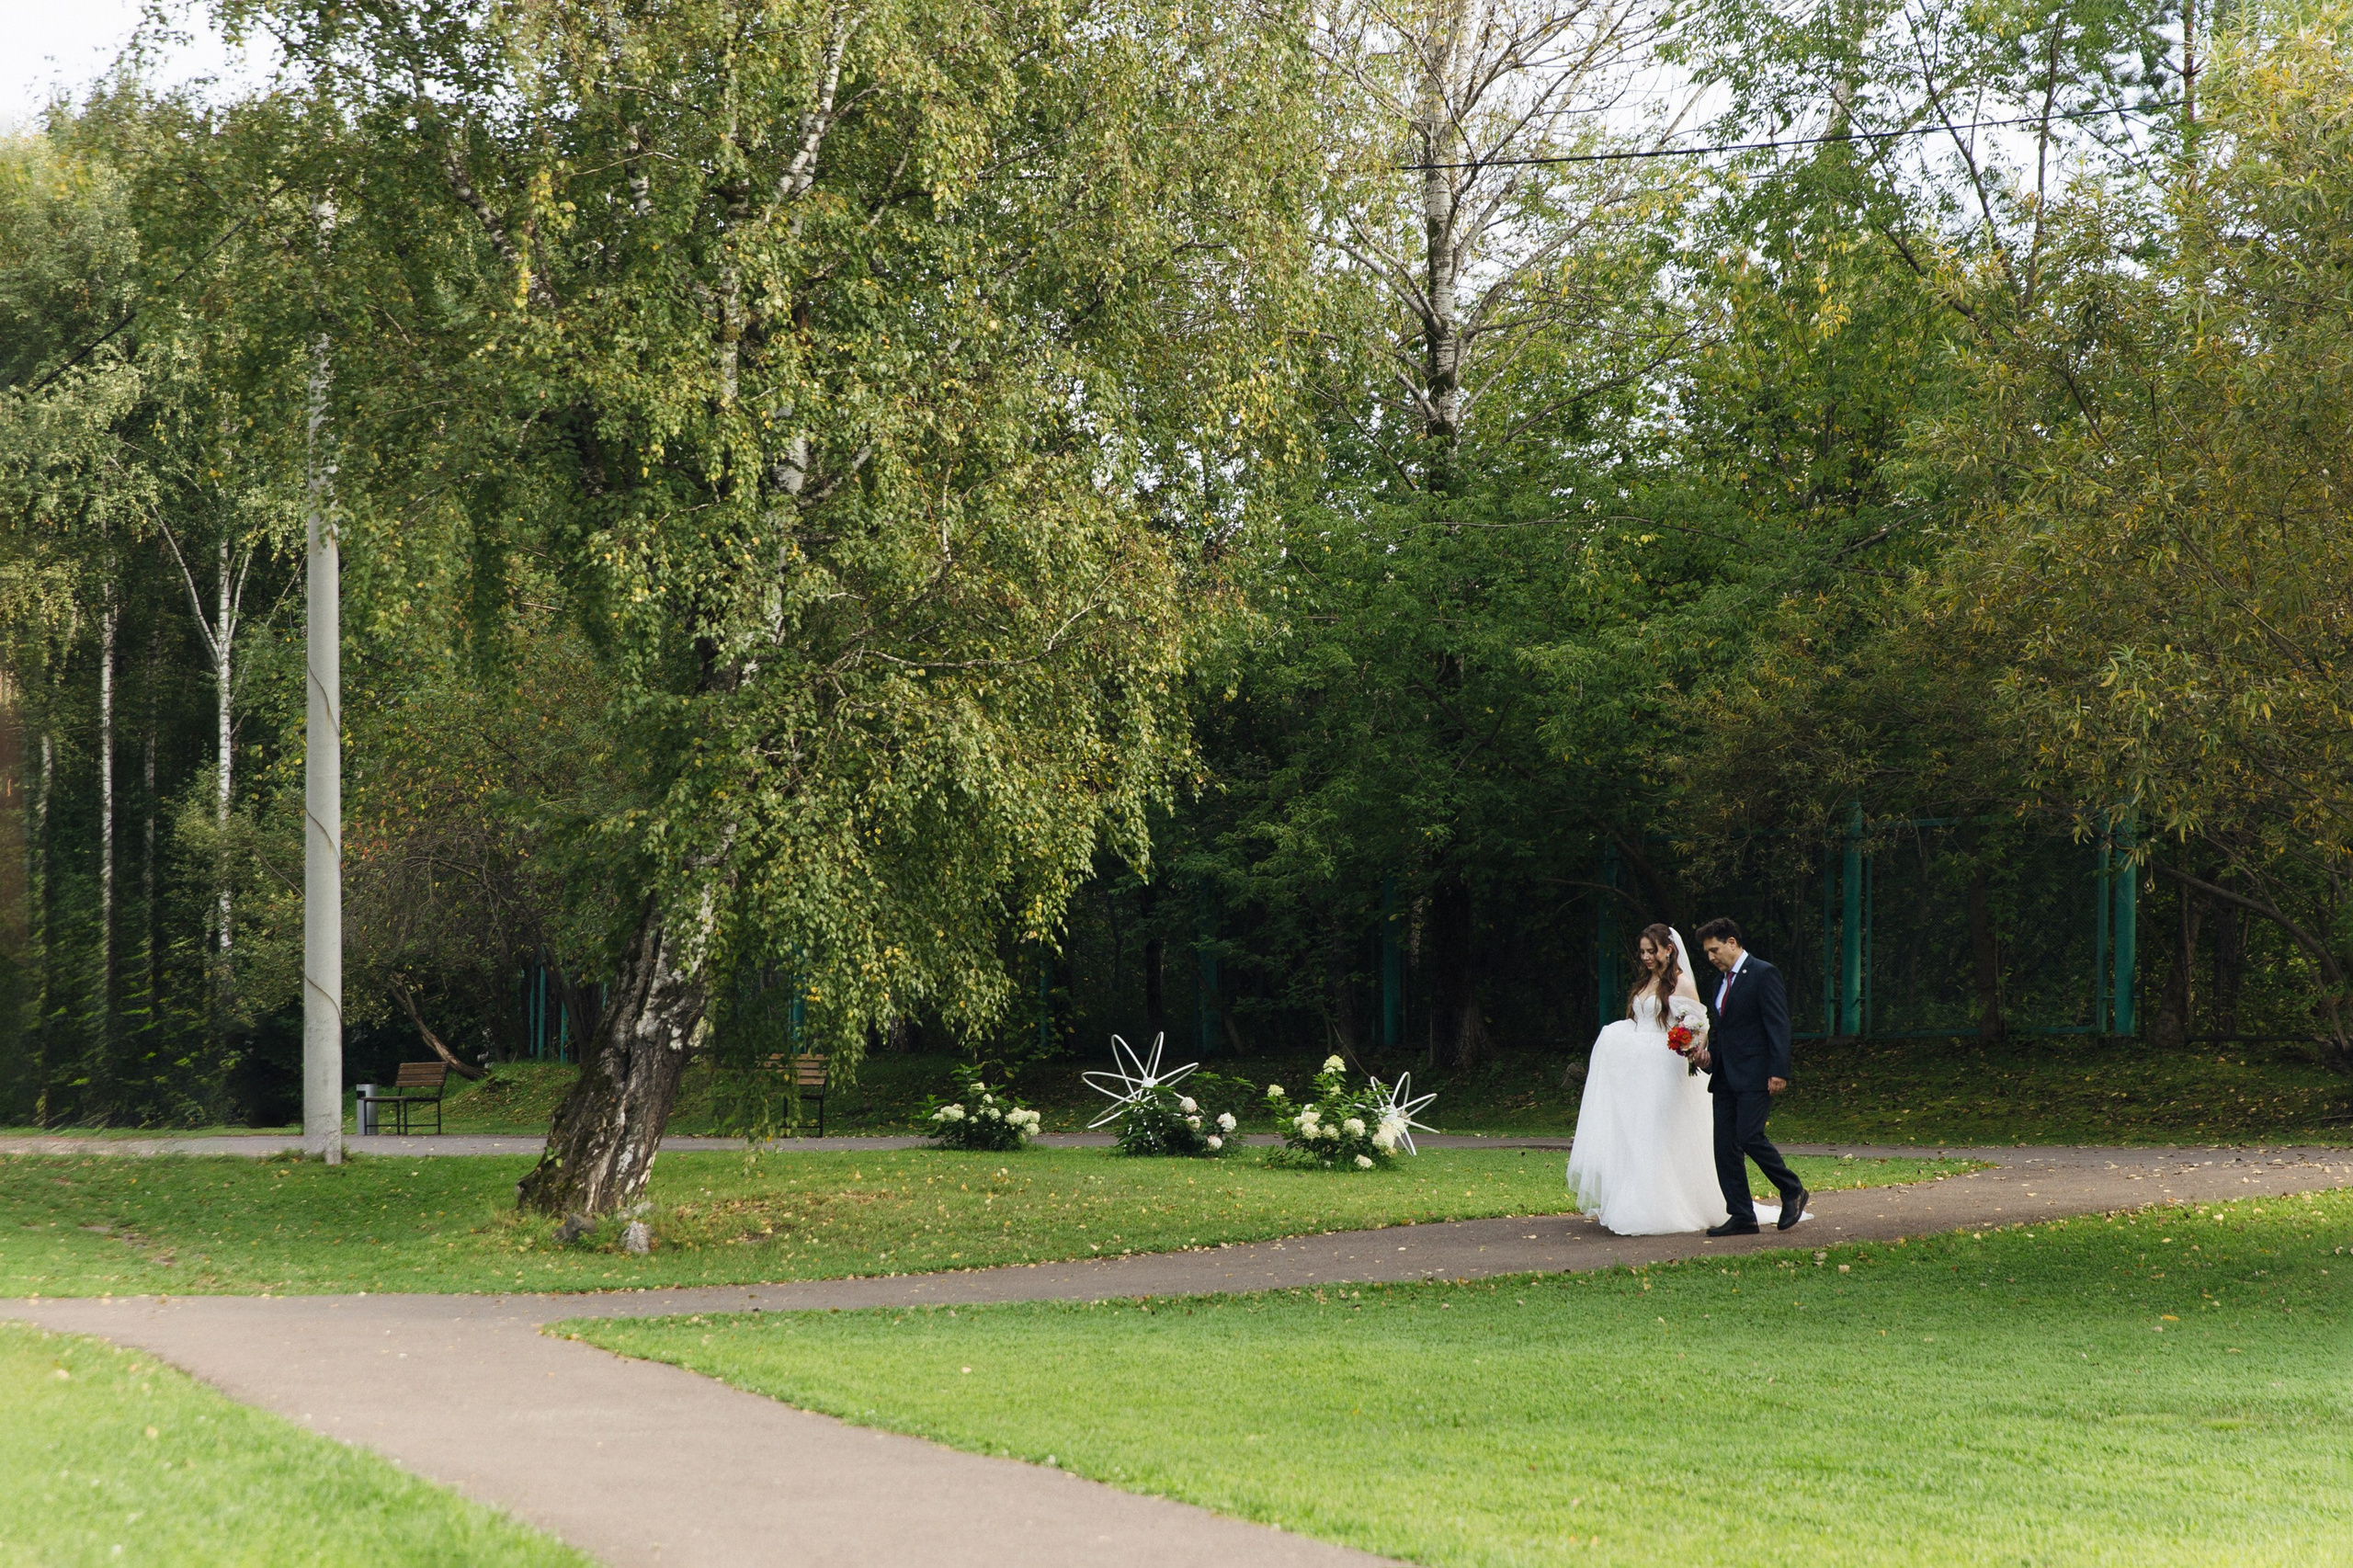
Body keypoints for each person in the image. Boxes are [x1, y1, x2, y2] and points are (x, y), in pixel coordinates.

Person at [1564, 923, 1729, 1234]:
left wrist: (1687, 1042)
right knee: (1633, 1133)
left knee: (1657, 1132)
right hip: (1636, 1069)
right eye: (1642, 952)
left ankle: (1661, 1206)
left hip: (1662, 1066)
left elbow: (1698, 1026)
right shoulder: (1647, 981)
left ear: (1669, 949)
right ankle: (1633, 1200)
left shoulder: (1680, 984)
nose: (1646, 957)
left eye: (1651, 951)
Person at [1693, 916, 1809, 1235]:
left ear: (1733, 943)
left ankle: (1792, 1189)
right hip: (1726, 1076)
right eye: (1706, 952)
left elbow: (1778, 1024)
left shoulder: (1763, 973)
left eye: (1714, 949)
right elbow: (1724, 1034)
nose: (1711, 957)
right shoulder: (1719, 983)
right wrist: (1707, 1058)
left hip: (1757, 1073)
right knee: (1724, 1146)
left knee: (1749, 1136)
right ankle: (1742, 1214)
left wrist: (1778, 1070)